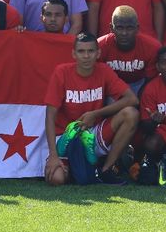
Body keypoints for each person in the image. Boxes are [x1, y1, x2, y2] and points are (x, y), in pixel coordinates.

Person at [44, 32, 139, 186]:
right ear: (74, 54)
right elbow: (50, 116)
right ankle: (83, 167)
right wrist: (53, 155)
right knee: (57, 179)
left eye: (91, 51)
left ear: (98, 53)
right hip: (66, 136)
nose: (86, 56)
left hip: (92, 134)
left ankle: (106, 170)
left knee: (131, 114)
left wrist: (95, 114)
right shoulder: (61, 72)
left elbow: (132, 99)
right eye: (81, 51)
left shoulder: (103, 70)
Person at [98, 6, 160, 95]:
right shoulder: (100, 46)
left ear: (137, 28)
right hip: (110, 87)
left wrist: (137, 100)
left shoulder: (152, 47)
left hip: (140, 84)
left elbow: (150, 81)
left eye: (129, 28)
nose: (124, 33)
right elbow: (97, 80)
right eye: (119, 28)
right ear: (111, 28)